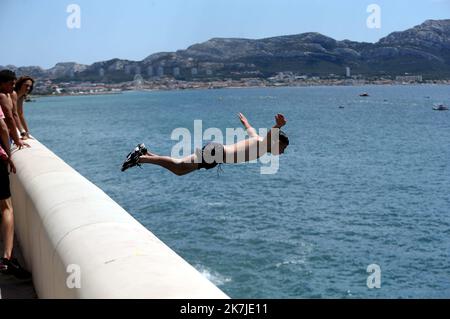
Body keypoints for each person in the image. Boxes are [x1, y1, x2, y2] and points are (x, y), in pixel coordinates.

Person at [121, 113, 289, 176]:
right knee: (179, 167)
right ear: (276, 142)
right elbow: (269, 134)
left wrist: (244, 121)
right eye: (282, 148)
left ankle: (146, 153)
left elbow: (250, 129)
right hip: (216, 153)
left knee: (180, 169)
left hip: (216, 155)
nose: (282, 152)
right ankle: (139, 158)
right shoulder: (263, 143)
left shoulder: (258, 141)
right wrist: (278, 126)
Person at [0, 70, 31, 279]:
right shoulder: (2, 96)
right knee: (6, 208)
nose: (14, 86)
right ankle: (7, 259)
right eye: (11, 83)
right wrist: (9, 149)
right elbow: (5, 123)